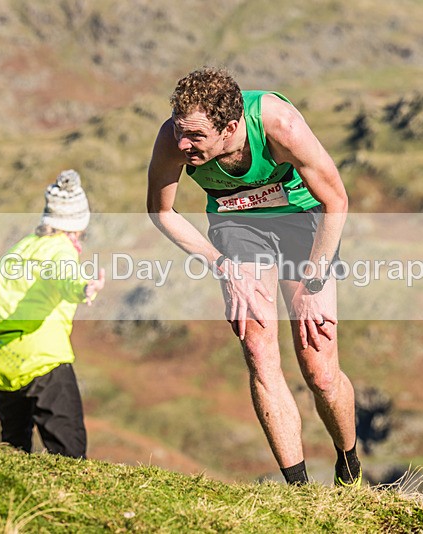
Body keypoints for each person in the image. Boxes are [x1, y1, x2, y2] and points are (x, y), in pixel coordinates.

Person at [147, 67, 361, 486]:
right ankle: (300, 494)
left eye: (195, 137)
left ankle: (348, 462)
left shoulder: (280, 125)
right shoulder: (173, 139)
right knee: (259, 350)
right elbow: (161, 212)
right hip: (238, 223)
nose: (183, 144)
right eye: (179, 131)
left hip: (304, 218)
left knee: (319, 368)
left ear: (230, 128)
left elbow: (336, 200)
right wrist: (222, 265)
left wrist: (315, 282)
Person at [0, 169, 104, 459]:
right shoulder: (61, 250)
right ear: (77, 225)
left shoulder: (19, 249)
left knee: (13, 450)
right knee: (70, 455)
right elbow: (66, 277)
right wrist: (84, 288)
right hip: (42, 361)